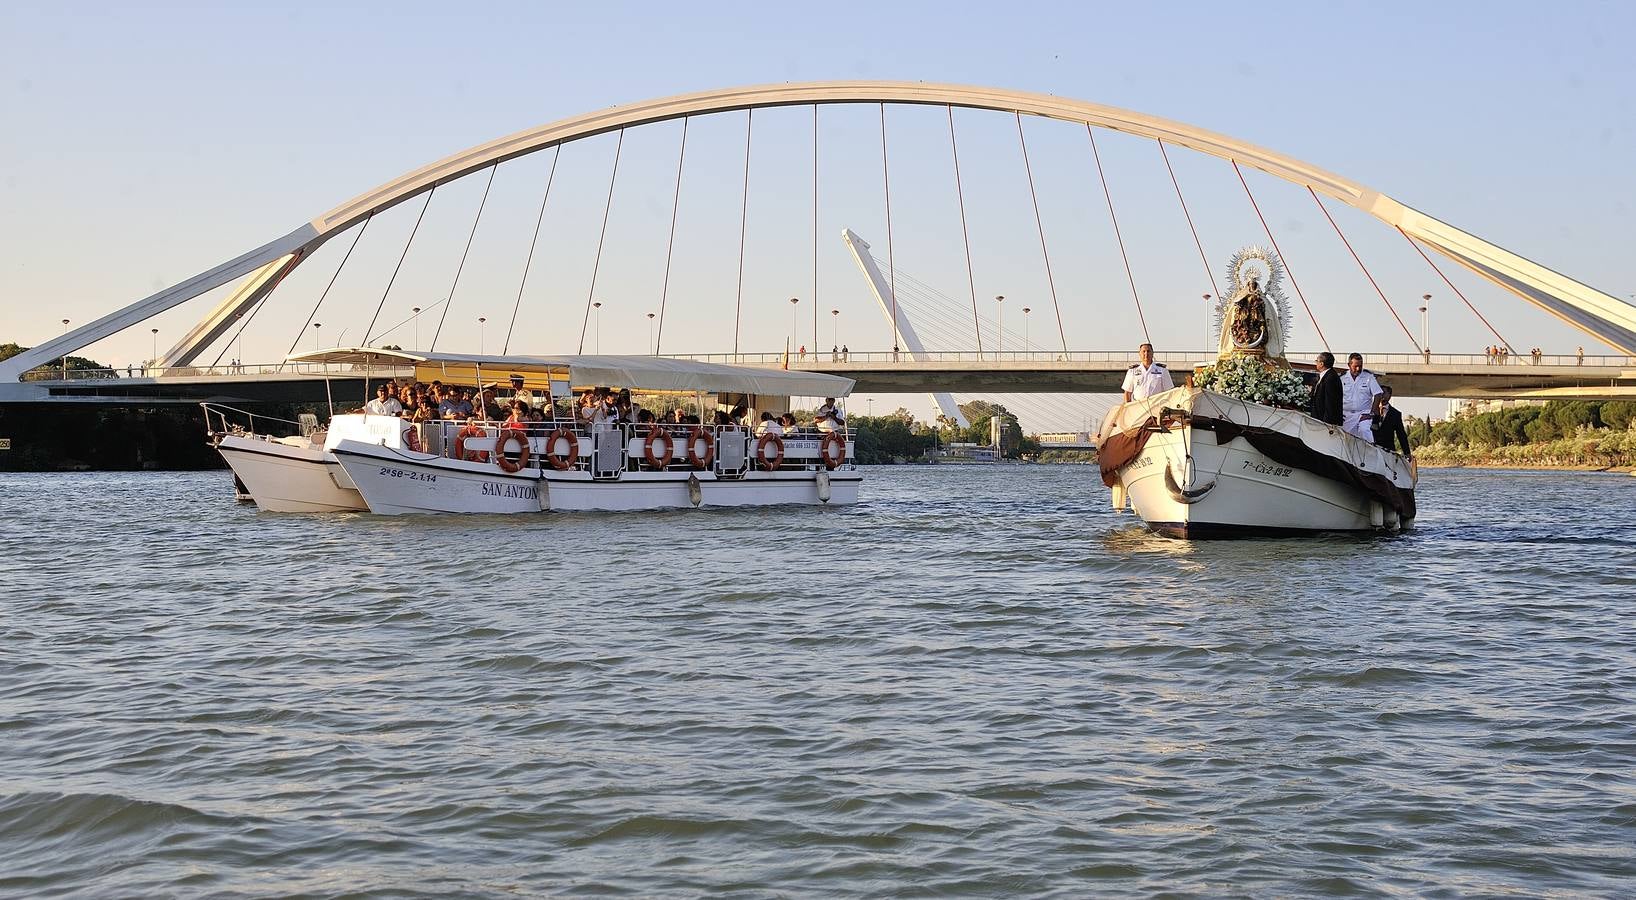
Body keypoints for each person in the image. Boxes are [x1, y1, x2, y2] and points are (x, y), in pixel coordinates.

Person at [1339, 352, 1384, 441]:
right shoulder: (1342, 378)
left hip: (1363, 413)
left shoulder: (1368, 377)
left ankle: (1370, 453)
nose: (1358, 369)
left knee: (1364, 430)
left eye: (1360, 366)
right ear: (1349, 365)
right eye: (1355, 366)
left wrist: (1371, 413)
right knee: (1344, 439)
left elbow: (1378, 394)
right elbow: (1336, 397)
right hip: (1346, 415)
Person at [1370, 386, 1411, 457]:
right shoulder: (1369, 410)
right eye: (1379, 393)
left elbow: (1401, 434)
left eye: (1384, 392)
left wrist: (1407, 452)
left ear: (1389, 395)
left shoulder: (1395, 414)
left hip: (1388, 451)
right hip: (1370, 449)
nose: (1381, 395)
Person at [1308, 351, 1343, 426]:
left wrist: (1326, 423)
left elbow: (1330, 401)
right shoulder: (1324, 376)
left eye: (1317, 361)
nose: (1316, 363)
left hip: (1325, 421)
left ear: (1321, 363)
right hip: (1317, 417)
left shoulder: (1331, 378)